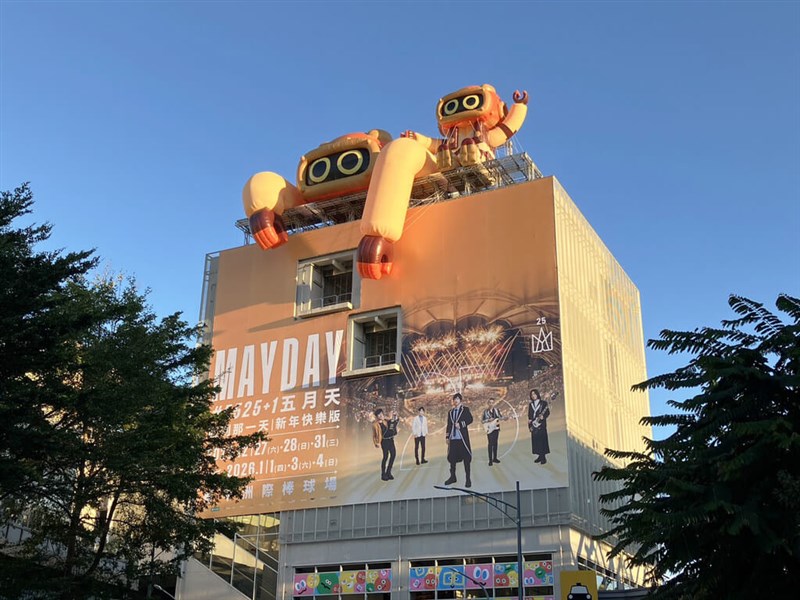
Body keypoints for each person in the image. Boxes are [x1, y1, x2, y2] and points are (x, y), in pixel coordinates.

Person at [444, 393, 473, 487]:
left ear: (460, 400)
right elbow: (449, 425)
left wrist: (461, 424)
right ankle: (453, 477)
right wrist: (447, 437)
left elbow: (470, 419)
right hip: (453, 439)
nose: (455, 400)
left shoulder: (465, 410)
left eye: (457, 399)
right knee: (452, 459)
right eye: (454, 399)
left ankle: (468, 479)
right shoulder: (451, 412)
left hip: (462, 438)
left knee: (466, 459)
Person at [372, 408, 397, 480]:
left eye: (381, 414)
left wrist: (394, 416)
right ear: (377, 416)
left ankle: (388, 472)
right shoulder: (375, 425)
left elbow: (393, 422)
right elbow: (374, 435)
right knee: (385, 457)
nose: (381, 416)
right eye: (379, 415)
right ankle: (383, 474)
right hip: (384, 441)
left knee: (393, 455)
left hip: (391, 440)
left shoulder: (386, 421)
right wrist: (376, 443)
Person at [527, 389, 550, 464]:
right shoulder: (531, 404)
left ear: (537, 394)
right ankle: (539, 456)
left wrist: (544, 416)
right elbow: (529, 415)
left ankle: (543, 457)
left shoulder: (543, 403)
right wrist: (530, 423)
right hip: (534, 424)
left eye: (534, 394)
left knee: (542, 441)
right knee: (536, 441)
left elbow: (547, 412)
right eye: (532, 395)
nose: (533, 396)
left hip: (541, 425)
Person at [481, 397, 503, 466]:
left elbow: (500, 417)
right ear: (488, 403)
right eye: (490, 402)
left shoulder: (497, 410)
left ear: (494, 403)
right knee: (490, 443)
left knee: (495, 443)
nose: (491, 404)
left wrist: (504, 418)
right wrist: (488, 420)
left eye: (492, 402)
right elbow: (482, 421)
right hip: (489, 429)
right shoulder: (485, 412)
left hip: (496, 428)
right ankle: (490, 460)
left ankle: (495, 458)